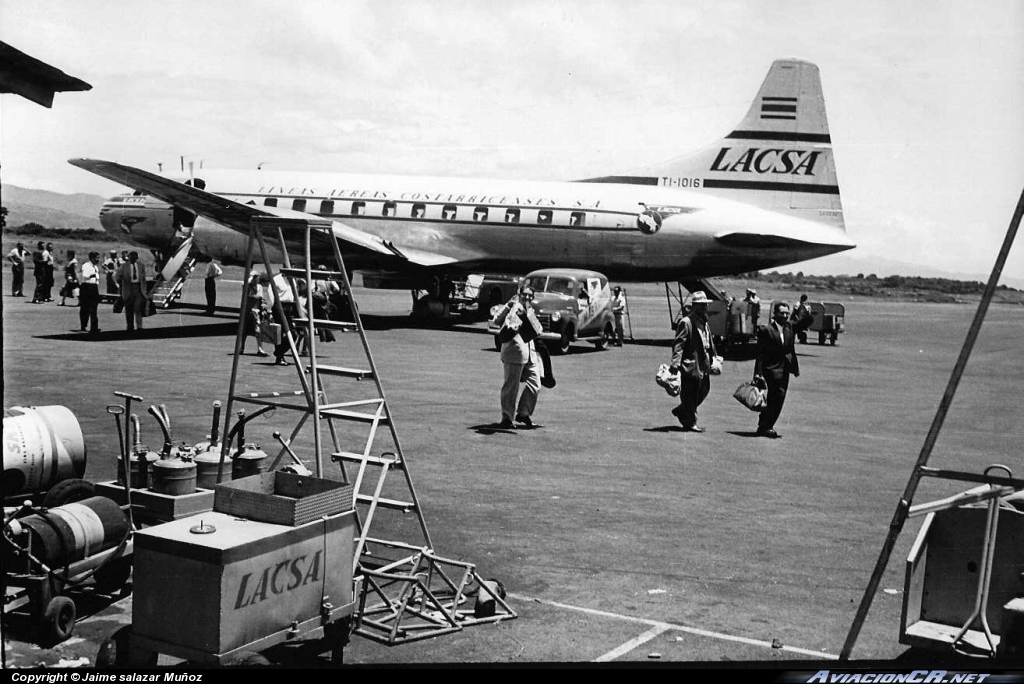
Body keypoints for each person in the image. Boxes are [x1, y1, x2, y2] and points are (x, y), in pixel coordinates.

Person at [753, 301, 813, 438]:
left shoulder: (790, 327)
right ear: (775, 314)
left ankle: (765, 425)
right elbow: (760, 355)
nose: (785, 316)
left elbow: (805, 323)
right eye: (782, 313)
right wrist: (758, 373)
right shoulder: (766, 330)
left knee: (779, 398)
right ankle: (767, 426)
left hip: (785, 369)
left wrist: (807, 313)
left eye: (787, 313)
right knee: (774, 397)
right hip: (770, 370)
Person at [493, 286, 542, 429]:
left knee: (535, 384)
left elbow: (536, 330)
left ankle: (523, 413)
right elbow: (497, 321)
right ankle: (507, 417)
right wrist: (508, 307)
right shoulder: (513, 307)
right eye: (524, 295)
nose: (527, 298)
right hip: (514, 352)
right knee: (511, 387)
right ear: (519, 294)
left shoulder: (530, 309)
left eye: (529, 296)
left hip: (529, 353)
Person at [668, 291, 717, 432]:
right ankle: (690, 422)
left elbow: (708, 340)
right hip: (691, 363)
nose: (704, 308)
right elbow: (679, 344)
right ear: (694, 306)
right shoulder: (686, 322)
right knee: (690, 392)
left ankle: (683, 409)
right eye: (701, 305)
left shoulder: (704, 321)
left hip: (704, 363)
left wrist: (714, 355)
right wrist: (675, 363)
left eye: (705, 305)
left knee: (704, 390)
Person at [117, 251, 149, 332]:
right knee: (129, 309)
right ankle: (130, 327)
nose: (133, 258)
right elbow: (118, 276)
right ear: (129, 257)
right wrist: (121, 285)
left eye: (134, 257)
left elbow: (143, 279)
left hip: (138, 289)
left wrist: (144, 291)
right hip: (128, 289)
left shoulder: (141, 265)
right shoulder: (124, 266)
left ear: (137, 257)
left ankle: (139, 327)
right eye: (131, 257)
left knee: (138, 308)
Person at [240, 270, 269, 357]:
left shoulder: (259, 287)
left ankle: (260, 348)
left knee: (258, 329)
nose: (257, 279)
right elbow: (244, 284)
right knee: (244, 330)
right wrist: (251, 278)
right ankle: (241, 347)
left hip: (255, 311)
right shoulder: (247, 286)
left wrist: (264, 308)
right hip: (247, 310)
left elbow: (261, 297)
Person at [78, 251, 102, 333]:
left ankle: (94, 327)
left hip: (94, 287)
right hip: (86, 287)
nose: (98, 259)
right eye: (97, 258)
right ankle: (83, 325)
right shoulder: (86, 266)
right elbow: (85, 276)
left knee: (94, 308)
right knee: (85, 307)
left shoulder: (95, 267)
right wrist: (92, 275)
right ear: (92, 258)